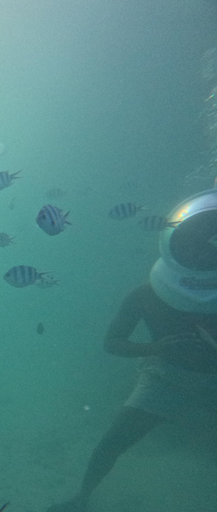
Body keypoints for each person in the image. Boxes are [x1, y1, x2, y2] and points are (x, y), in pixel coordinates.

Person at [48, 188, 217, 512]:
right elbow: (111, 343)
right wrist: (154, 348)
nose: (200, 257)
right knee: (113, 442)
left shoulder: (145, 292)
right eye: (192, 248)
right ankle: (82, 498)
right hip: (165, 378)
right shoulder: (144, 294)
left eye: (206, 249)